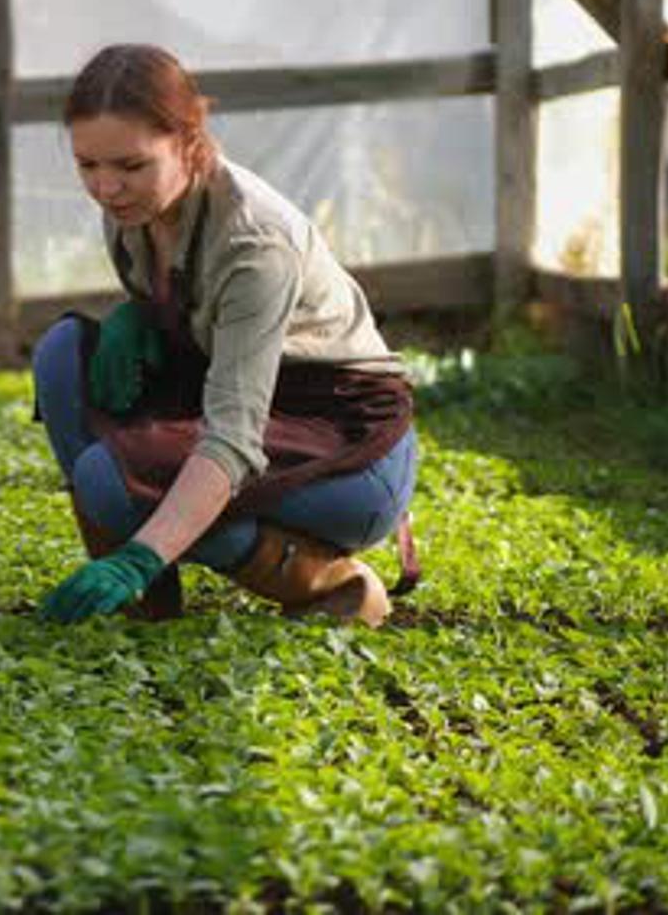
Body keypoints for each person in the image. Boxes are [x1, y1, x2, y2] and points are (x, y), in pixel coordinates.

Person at [31, 44, 418, 627]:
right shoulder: (136, 212)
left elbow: (233, 439)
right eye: (88, 165)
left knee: (111, 481)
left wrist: (140, 552)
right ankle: (148, 599)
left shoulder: (254, 244)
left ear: (189, 142)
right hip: (240, 397)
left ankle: (336, 586)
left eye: (131, 166)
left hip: (344, 446)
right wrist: (142, 314)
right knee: (64, 356)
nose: (107, 188)